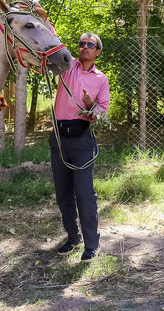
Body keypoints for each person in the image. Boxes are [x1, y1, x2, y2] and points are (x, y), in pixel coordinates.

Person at [49, 31, 110, 261]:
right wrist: (44, 19)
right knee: (63, 193)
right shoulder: (67, 67)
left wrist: (90, 106)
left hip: (82, 140)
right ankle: (73, 238)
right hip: (59, 138)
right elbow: (52, 43)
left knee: (84, 194)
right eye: (82, 43)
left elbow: (102, 114)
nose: (84, 47)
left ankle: (92, 245)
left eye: (90, 45)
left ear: (97, 52)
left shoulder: (101, 79)